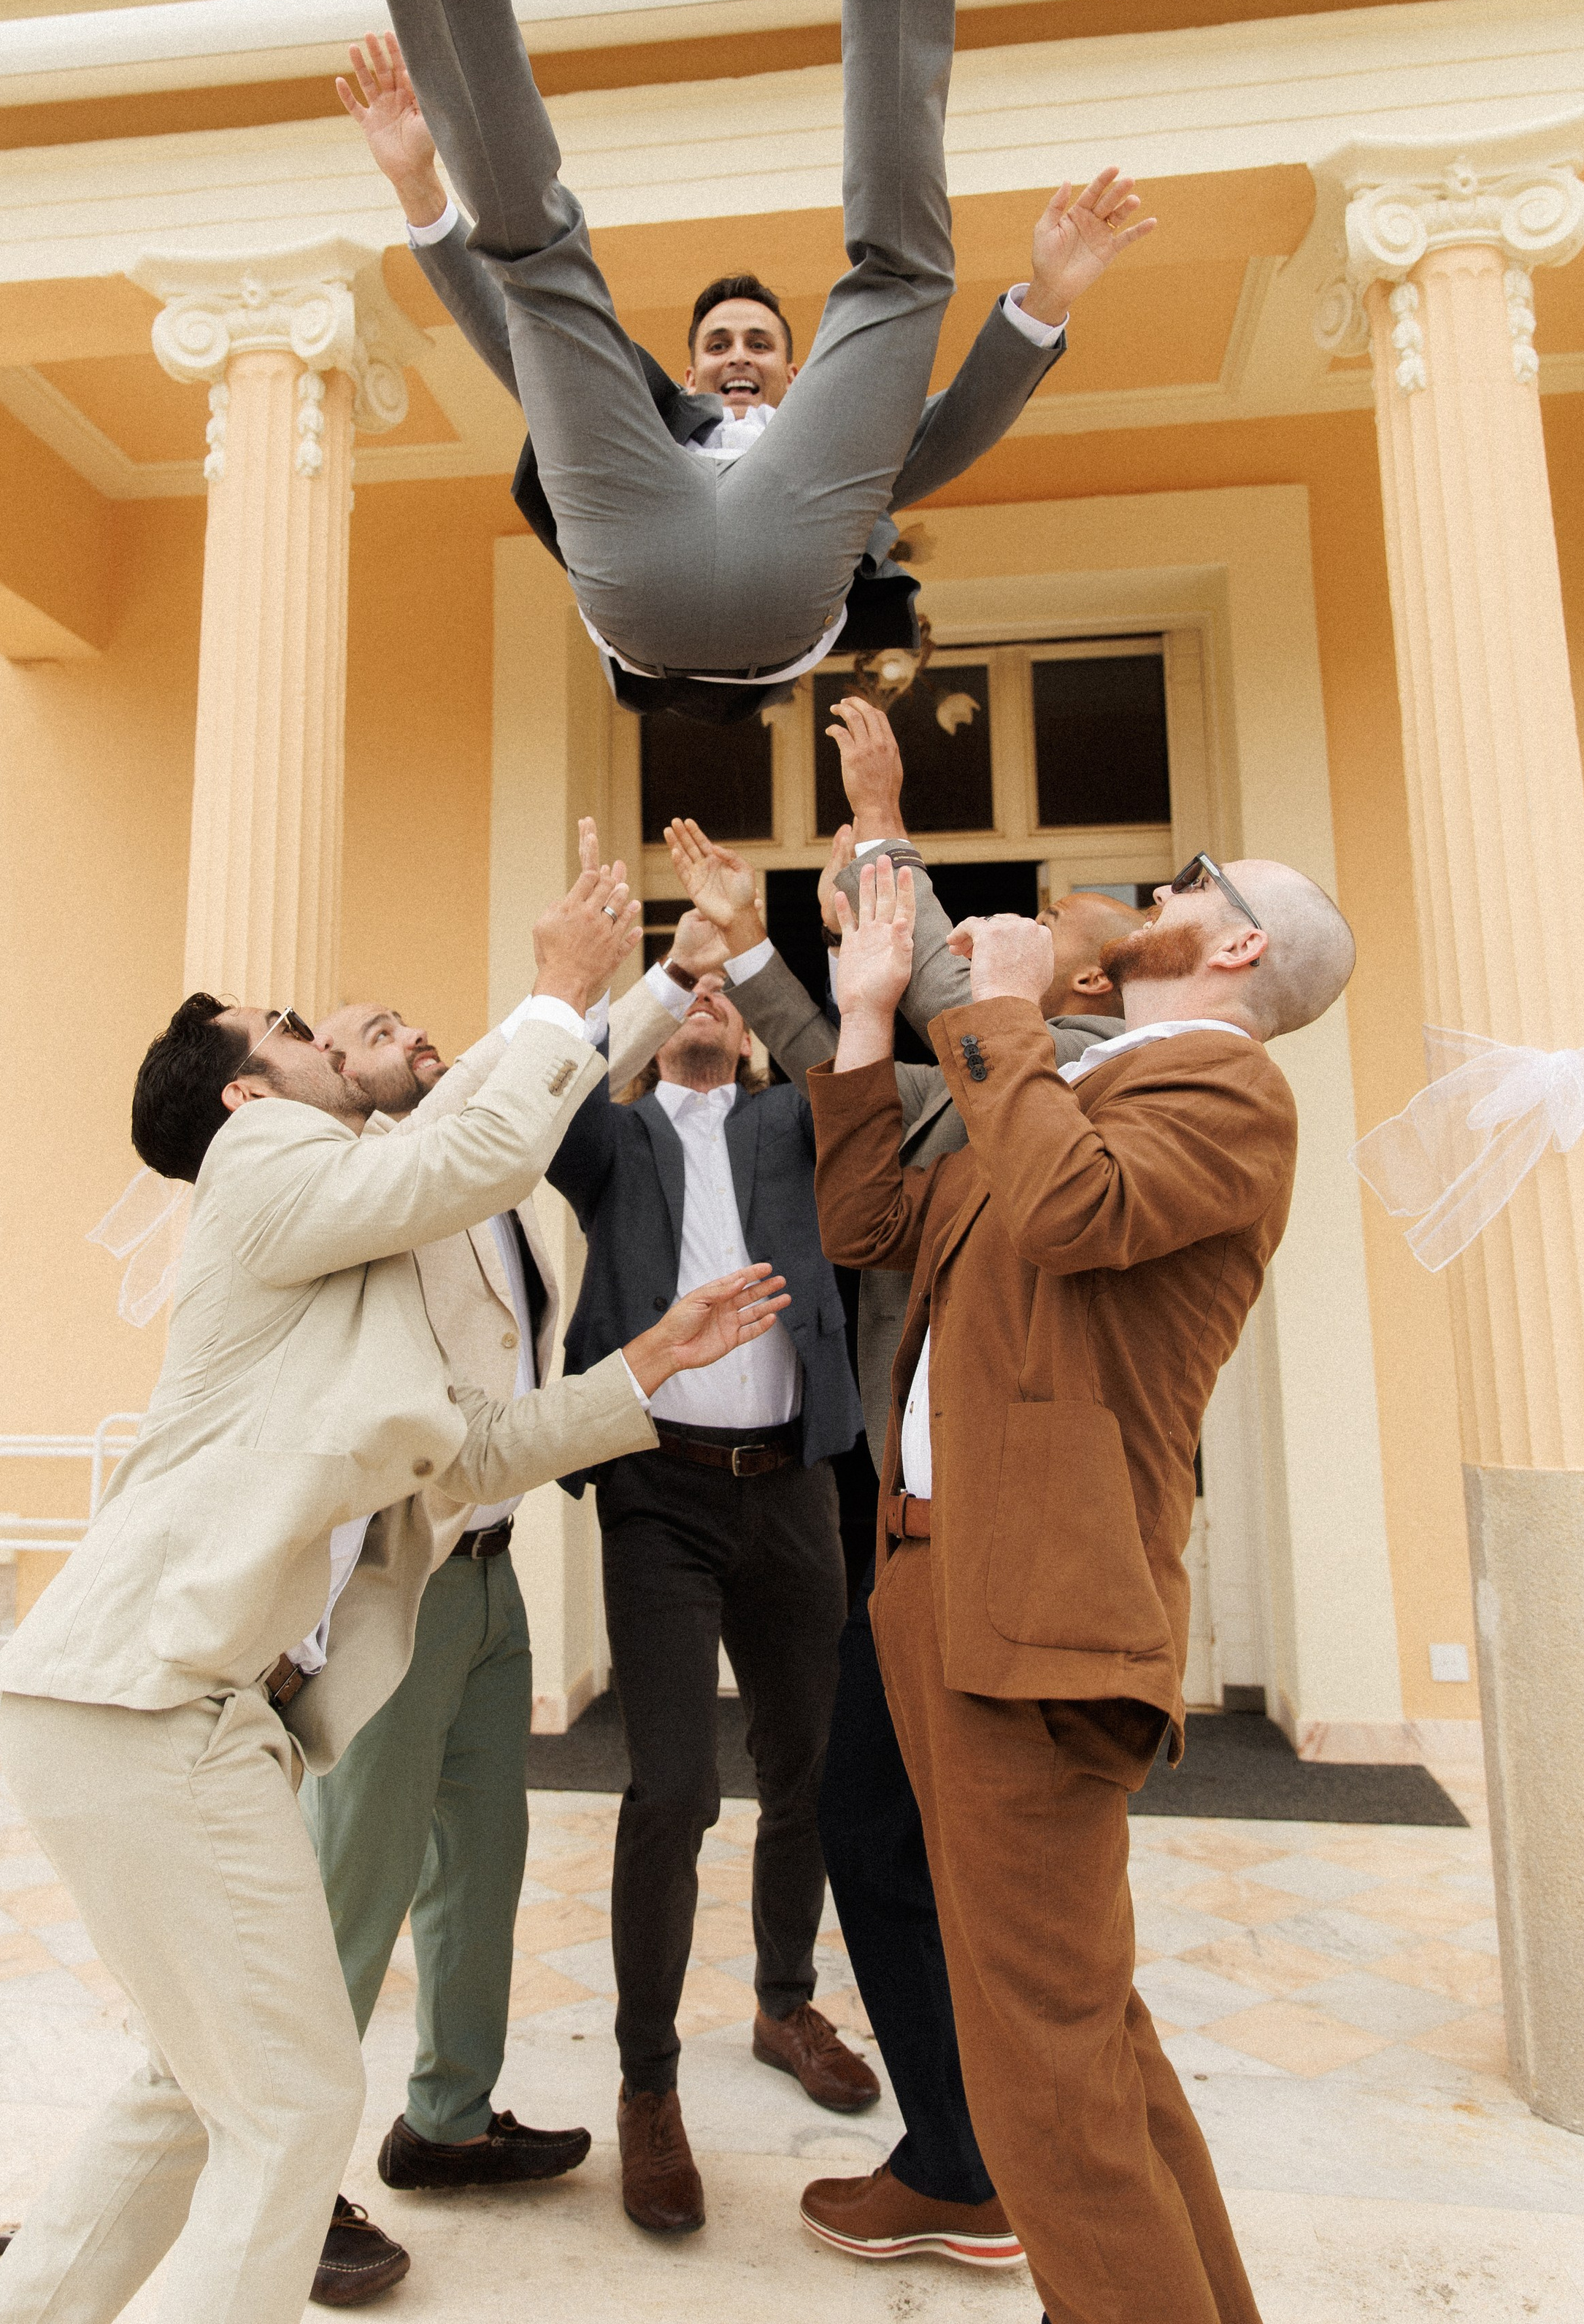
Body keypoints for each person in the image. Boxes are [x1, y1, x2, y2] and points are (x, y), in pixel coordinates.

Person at [0, 863, 792, 2324]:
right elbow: (462, 1142)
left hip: (152, 1711)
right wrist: (563, 986)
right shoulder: (266, 1169)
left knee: (190, 2089)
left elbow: (465, 1444)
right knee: (290, 2109)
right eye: (291, 1027)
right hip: (149, 1702)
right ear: (247, 1097)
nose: (329, 1036)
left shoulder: (344, 1231)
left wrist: (643, 1365)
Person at [335, 0, 1156, 722]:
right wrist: (1043, 297)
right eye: (723, 341)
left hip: (644, 581)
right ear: (693, 371)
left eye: (756, 342)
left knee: (538, 269)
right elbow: (957, 432)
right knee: (901, 280)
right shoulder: (806, 452)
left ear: (796, 374)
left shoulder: (722, 431)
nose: (736, 353)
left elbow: (518, 344)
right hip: (778, 581)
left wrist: (421, 191)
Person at [809, 848, 1355, 2324]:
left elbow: (1070, 1213)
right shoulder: (1060, 1088)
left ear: (1232, 953)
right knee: (1078, 2032)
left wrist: (1002, 1009)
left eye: (1182, 878)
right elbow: (866, 1229)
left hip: (1036, 1617)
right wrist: (868, 1020)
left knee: (1036, 2064)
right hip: (941, 1589)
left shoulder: (1223, 1094)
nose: (1124, 880)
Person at [661, 752, 1135, 2272]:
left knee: (990, 1889)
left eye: (1082, 912)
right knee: (880, 1838)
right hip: (908, 1537)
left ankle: (1020, 2180)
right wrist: (750, 950)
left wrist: (880, 826)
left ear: (1096, 992)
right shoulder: (987, 1092)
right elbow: (846, 1064)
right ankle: (954, 2154)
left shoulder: (1088, 1082)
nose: (1043, 910)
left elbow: (924, 994)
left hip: (1010, 1559)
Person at [296, 938, 677, 2250]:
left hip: (491, 1579)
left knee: (481, 1869)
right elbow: (485, 1100)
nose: (411, 1032)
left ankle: (448, 2122)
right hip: (392, 1588)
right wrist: (551, 994)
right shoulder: (355, 1184)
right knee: (352, 1889)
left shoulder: (482, 1183)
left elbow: (546, 1097)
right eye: (372, 1029)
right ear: (329, 1086)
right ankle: (291, 2183)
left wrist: (673, 977)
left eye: (412, 1015)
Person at [541, 950, 874, 2236]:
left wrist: (753, 959)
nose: (705, 1001)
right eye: (683, 988)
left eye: (720, 992)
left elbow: (847, 1075)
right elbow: (549, 1103)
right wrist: (591, 993)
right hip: (659, 1499)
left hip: (792, 1488)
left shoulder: (789, 1121)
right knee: (672, 1790)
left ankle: (785, 2002)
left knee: (808, 1765)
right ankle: (648, 2088)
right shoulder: (615, 1143)